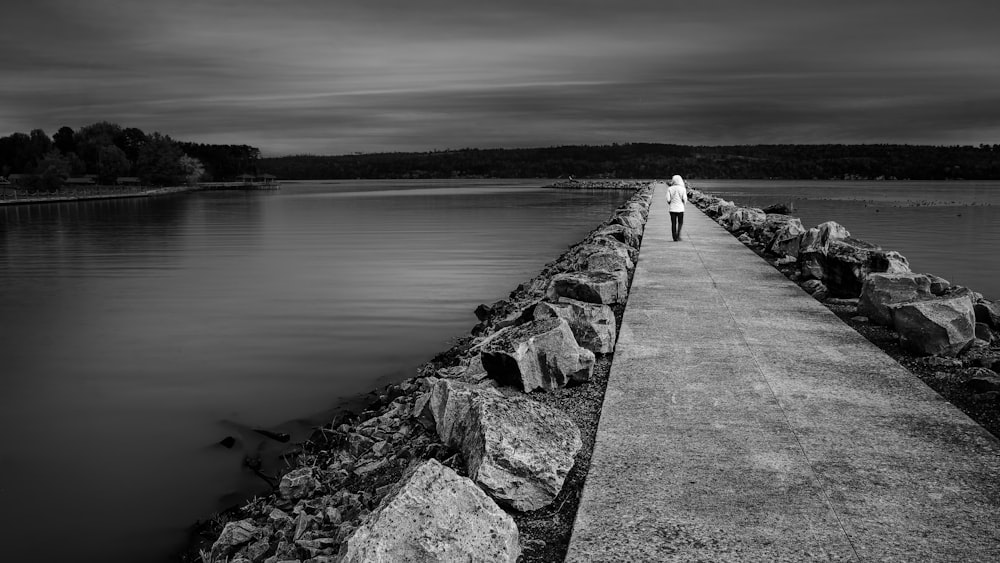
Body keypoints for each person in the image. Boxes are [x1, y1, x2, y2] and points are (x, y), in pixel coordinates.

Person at [666, 174, 687, 241]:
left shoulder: (669, 189)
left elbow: (668, 199)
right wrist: (683, 204)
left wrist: (671, 203)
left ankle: (674, 237)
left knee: (673, 223)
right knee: (680, 222)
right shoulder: (683, 189)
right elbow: (684, 199)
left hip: (672, 209)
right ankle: (678, 235)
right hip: (680, 208)